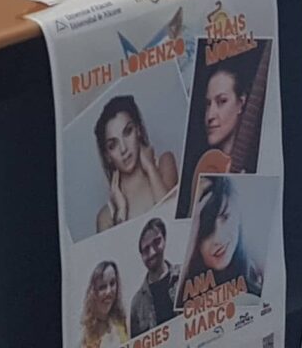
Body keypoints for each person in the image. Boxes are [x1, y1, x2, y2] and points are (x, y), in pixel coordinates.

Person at [91, 94, 182, 230]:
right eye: (113, 145)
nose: (123, 149)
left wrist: (150, 169)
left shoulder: (164, 164)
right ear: (108, 156)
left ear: (138, 130)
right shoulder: (105, 217)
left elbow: (172, 222)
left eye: (128, 132)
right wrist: (121, 211)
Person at [181, 176, 265, 301]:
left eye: (225, 217)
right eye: (205, 230)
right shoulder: (184, 285)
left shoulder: (259, 268)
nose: (218, 238)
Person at [186, 52, 262, 189]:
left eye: (222, 101)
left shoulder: (259, 163)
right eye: (208, 104)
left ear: (241, 103)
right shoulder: (204, 168)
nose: (210, 116)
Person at [128, 218, 182, 333]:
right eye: (146, 249)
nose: (152, 252)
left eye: (156, 242)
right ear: (141, 256)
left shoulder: (185, 276)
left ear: (164, 240)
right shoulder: (137, 304)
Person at [78, 260, 133, 348]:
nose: (108, 292)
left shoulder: (123, 322)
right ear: (93, 293)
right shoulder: (87, 337)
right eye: (102, 287)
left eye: (112, 283)